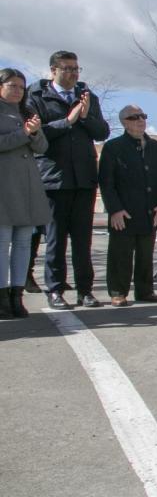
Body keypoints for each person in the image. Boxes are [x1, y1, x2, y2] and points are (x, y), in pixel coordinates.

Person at [27, 50, 110, 310]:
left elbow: (102, 132)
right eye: (67, 68)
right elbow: (36, 135)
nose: (73, 73)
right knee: (55, 239)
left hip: (83, 179)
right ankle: (55, 290)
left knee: (83, 241)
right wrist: (68, 121)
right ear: (53, 70)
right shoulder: (37, 96)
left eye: (76, 69)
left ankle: (85, 291)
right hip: (54, 179)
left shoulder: (87, 96)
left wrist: (85, 117)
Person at [98, 105, 157, 307]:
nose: (140, 120)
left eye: (143, 116)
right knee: (120, 254)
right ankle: (118, 291)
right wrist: (114, 209)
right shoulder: (113, 147)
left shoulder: (156, 147)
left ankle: (145, 290)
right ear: (124, 122)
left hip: (150, 211)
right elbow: (106, 182)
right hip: (124, 212)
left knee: (146, 254)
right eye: (134, 117)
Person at [0, 68, 49, 318]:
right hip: (4, 185)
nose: (18, 91)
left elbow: (43, 147)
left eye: (21, 87)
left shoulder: (27, 113)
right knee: (2, 242)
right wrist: (24, 133)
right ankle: (2, 297)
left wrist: (36, 131)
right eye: (12, 85)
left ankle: (17, 295)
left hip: (27, 185)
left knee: (23, 243)